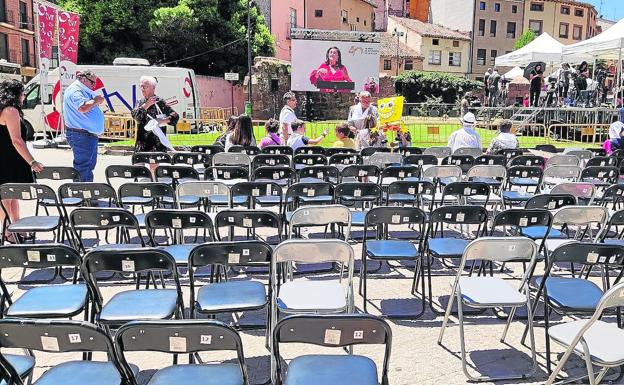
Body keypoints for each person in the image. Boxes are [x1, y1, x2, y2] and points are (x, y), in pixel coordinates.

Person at [0, 80, 44, 243]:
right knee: (6, 198)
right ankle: (7, 231)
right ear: (16, 94)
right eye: (23, 93)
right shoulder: (10, 110)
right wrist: (32, 161)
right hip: (8, 160)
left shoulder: (4, 108)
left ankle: (16, 228)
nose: (24, 96)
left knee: (11, 197)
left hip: (8, 159)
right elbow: (17, 140)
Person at [63, 70, 105, 182]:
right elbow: (83, 108)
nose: (94, 85)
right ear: (83, 79)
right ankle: (82, 194)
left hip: (84, 134)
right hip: (81, 134)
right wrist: (96, 100)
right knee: (83, 167)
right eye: (92, 82)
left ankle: (86, 194)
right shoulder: (76, 90)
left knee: (87, 166)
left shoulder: (81, 89)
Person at [131, 76, 179, 172]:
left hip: (155, 141)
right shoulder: (140, 102)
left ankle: (154, 183)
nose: (142, 89)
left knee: (154, 169)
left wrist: (162, 120)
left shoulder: (160, 101)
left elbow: (175, 116)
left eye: (145, 86)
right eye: (141, 86)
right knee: (138, 168)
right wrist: (147, 104)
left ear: (153, 87)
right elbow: (135, 116)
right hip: (142, 141)